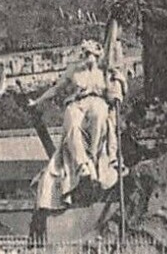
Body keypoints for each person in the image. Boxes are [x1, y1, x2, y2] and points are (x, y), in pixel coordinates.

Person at [30, 25, 128, 213]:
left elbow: (116, 86)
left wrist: (117, 87)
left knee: (100, 117)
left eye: (91, 54)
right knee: (73, 125)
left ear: (97, 56)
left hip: (98, 102)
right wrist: (37, 101)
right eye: (85, 53)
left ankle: (94, 162)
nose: (88, 58)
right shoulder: (74, 70)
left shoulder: (104, 71)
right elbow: (57, 89)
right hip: (76, 103)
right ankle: (83, 165)